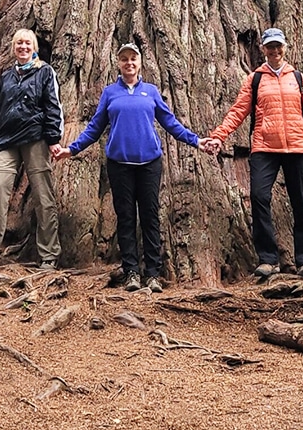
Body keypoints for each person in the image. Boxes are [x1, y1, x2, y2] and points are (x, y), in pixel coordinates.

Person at [54, 42, 206, 293]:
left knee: (150, 217)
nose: (129, 63)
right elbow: (95, 127)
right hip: (119, 165)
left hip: (149, 164)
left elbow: (170, 123)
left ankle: (153, 273)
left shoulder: (151, 91)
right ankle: (131, 272)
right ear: (118, 63)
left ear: (140, 62)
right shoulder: (110, 93)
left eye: (133, 58)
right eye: (124, 59)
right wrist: (72, 149)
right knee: (125, 218)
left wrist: (197, 141)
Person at [201, 28, 303, 280]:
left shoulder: (299, 79)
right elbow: (238, 111)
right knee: (259, 197)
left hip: (298, 148)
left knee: (301, 203)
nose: (275, 50)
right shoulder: (255, 80)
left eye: (278, 46)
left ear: (285, 47)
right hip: (265, 147)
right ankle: (267, 259)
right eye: (270, 46)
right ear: (263, 49)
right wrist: (219, 135)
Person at [0, 29, 63, 271]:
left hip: (35, 137)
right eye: (18, 44)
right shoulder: (6, 77)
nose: (23, 47)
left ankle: (48, 253)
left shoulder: (45, 72)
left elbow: (53, 107)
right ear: (13, 48)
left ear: (34, 47)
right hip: (6, 139)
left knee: (43, 194)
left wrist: (53, 138)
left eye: (27, 43)